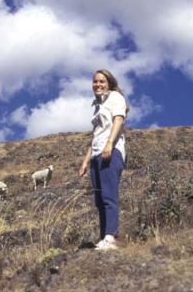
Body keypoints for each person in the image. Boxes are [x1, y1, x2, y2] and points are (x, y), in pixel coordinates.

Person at [79, 69, 128, 251]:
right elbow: (94, 136)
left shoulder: (115, 97)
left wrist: (109, 144)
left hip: (111, 151)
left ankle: (111, 237)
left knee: (108, 194)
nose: (98, 85)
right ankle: (104, 238)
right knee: (99, 199)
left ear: (109, 83)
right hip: (96, 154)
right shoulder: (97, 105)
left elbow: (118, 120)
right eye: (95, 82)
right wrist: (85, 162)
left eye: (102, 81)